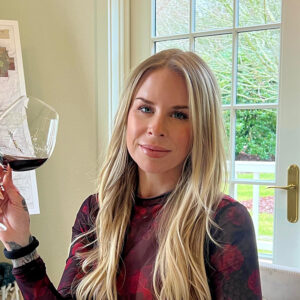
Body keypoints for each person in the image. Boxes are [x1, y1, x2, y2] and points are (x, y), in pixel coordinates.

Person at [0, 49, 262, 299]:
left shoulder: (224, 222)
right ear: (126, 116)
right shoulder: (95, 211)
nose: (156, 128)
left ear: (201, 130)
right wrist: (20, 243)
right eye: (145, 109)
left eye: (179, 115)